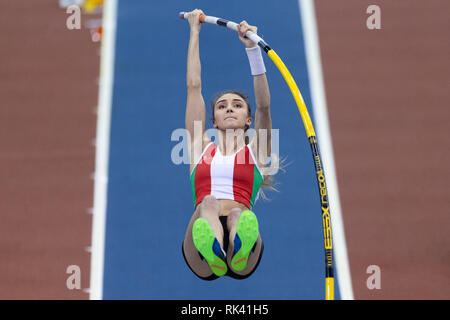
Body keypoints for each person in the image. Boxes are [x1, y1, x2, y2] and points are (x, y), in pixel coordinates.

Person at [182, 9, 277, 280]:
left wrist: (253, 49)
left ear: (248, 119)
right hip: (200, 240)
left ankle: (239, 245)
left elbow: (264, 106)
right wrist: (194, 32)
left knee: (238, 213)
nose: (229, 109)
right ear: (213, 119)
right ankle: (212, 247)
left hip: (244, 250)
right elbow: (193, 86)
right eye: (222, 106)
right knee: (208, 203)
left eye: (237, 105)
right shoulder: (200, 147)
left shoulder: (256, 152)